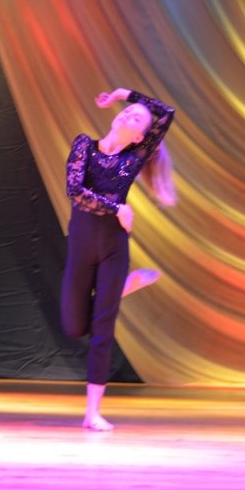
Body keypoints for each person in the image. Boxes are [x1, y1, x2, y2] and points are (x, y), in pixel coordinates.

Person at [61, 87, 176, 431]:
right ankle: (120, 290)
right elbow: (75, 190)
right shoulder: (85, 145)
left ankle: (92, 413)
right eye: (127, 110)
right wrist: (117, 208)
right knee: (74, 327)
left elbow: (166, 113)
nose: (128, 113)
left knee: (102, 330)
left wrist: (127, 93)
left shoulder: (135, 157)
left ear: (140, 136)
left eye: (136, 118)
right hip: (82, 244)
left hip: (114, 247)